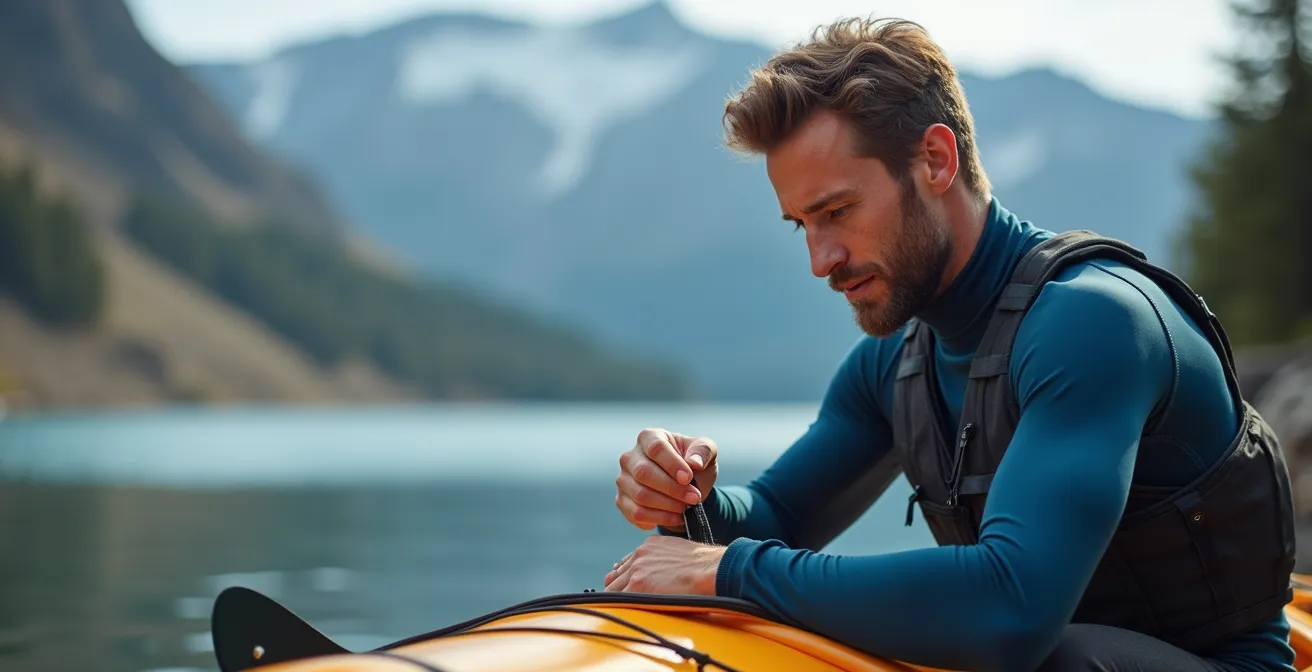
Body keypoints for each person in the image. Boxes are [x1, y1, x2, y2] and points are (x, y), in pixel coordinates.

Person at [601, 16, 1299, 672]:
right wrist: (688, 498)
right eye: (800, 225)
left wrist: (730, 571)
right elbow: (779, 516)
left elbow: (1011, 609)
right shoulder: (896, 361)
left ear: (935, 160)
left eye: (837, 212)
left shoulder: (1093, 325)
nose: (821, 259)